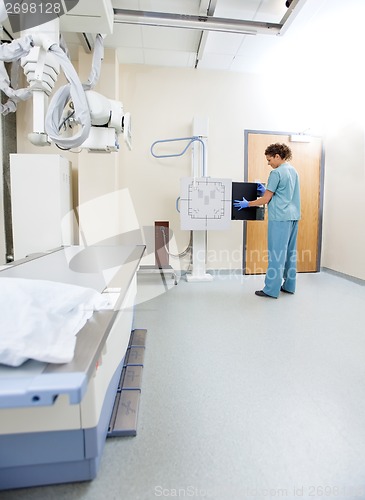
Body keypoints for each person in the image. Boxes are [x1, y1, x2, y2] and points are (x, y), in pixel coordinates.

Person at [234, 143, 301, 299]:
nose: (268, 163)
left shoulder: (276, 173)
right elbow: (284, 193)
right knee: (290, 253)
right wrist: (266, 190)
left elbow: (265, 199)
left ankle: (271, 289)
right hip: (293, 217)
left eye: (269, 159)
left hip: (280, 217)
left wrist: (247, 204)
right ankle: (289, 286)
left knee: (276, 253)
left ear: (277, 156)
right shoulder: (293, 171)